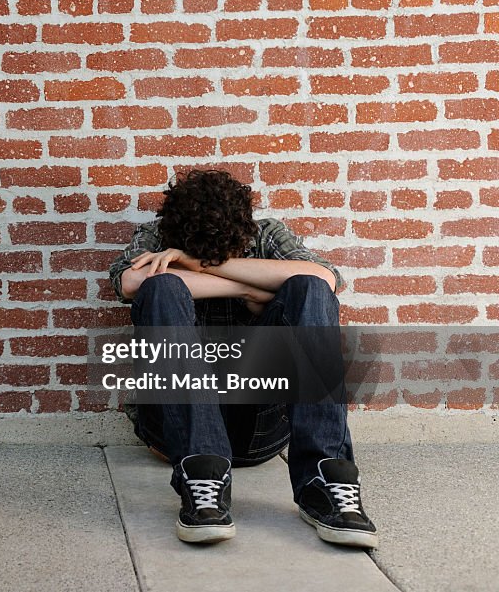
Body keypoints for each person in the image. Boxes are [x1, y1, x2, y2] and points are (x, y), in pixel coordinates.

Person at [108, 168, 378, 548]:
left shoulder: (266, 233)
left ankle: (324, 479)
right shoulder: (156, 235)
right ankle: (201, 476)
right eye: (197, 252)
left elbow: (325, 278)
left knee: (308, 290)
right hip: (173, 429)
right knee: (161, 288)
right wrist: (247, 286)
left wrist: (198, 264)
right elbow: (130, 282)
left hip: (259, 425)